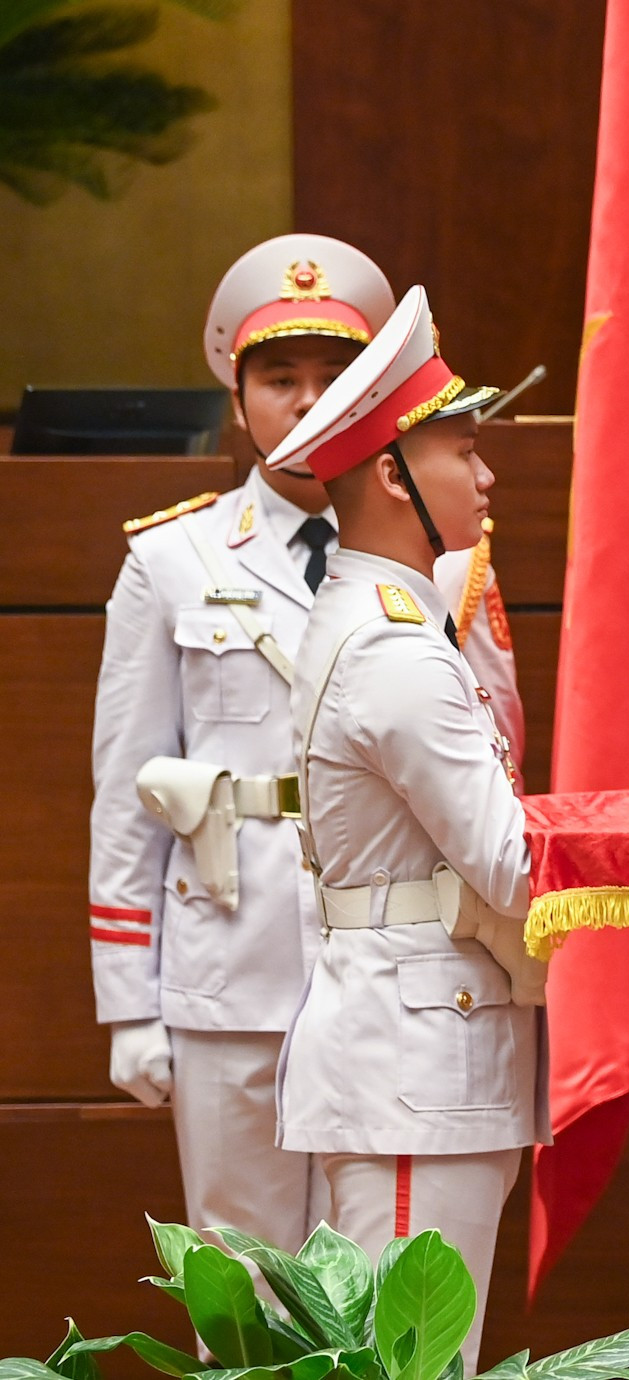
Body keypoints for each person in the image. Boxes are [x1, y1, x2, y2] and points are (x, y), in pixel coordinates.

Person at [88, 234, 521, 1264]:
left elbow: (493, 759)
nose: (305, 400)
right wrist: (127, 1003)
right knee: (240, 1279)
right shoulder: (171, 559)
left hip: (402, 965)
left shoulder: (451, 566)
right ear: (236, 399)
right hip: (233, 954)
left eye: (335, 378)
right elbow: (126, 786)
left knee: (368, 1274)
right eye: (280, 378)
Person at [264, 285, 543, 1367]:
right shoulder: (395, 648)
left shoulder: (390, 621)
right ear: (391, 475)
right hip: (418, 1063)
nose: (484, 477)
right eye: (460, 452)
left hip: (420, 1046)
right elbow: (514, 870)